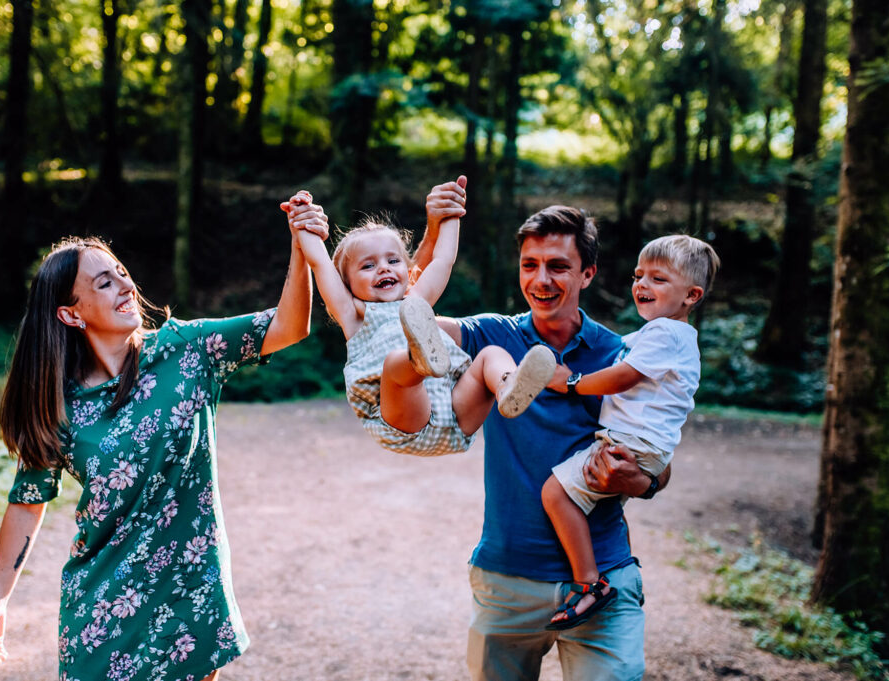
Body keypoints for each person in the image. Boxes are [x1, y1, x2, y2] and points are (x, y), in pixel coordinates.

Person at [0, 199, 326, 681]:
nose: (126, 285)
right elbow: (27, 502)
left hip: (190, 596)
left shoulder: (189, 350)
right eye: (104, 282)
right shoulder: (59, 404)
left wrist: (301, 249)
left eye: (121, 273)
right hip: (102, 609)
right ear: (71, 315)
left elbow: (289, 326)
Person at [416, 195, 670, 681]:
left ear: (587, 274)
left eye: (558, 266)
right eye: (529, 265)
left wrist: (640, 480)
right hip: (507, 580)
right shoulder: (492, 334)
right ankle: (510, 380)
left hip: (605, 579)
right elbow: (409, 317)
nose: (541, 279)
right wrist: (434, 230)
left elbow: (662, 461)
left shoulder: (622, 356)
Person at [283, 177, 557, 458]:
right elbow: (320, 263)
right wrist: (303, 220)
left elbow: (443, 260)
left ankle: (508, 386)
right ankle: (418, 359)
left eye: (393, 261)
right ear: (347, 284)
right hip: (406, 420)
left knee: (491, 355)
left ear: (408, 270)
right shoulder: (353, 315)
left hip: (456, 411)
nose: (383, 268)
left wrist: (452, 215)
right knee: (395, 363)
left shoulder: (416, 301)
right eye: (368, 265)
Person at [540, 234, 720, 630]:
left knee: (556, 493)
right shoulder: (664, 336)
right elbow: (622, 353)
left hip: (630, 444)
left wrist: (570, 382)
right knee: (585, 500)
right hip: (646, 447)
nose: (642, 284)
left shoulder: (665, 334)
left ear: (691, 296)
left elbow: (623, 376)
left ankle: (589, 583)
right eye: (638, 276)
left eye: (658, 278)